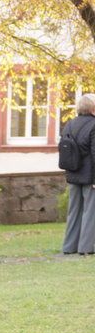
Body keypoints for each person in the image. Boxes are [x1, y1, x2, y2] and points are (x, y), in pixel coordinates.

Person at [61, 93, 95, 255]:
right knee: (90, 211)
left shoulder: (69, 124)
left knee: (73, 211)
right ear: (93, 108)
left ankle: (69, 247)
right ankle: (86, 247)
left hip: (72, 173)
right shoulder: (94, 125)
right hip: (90, 176)